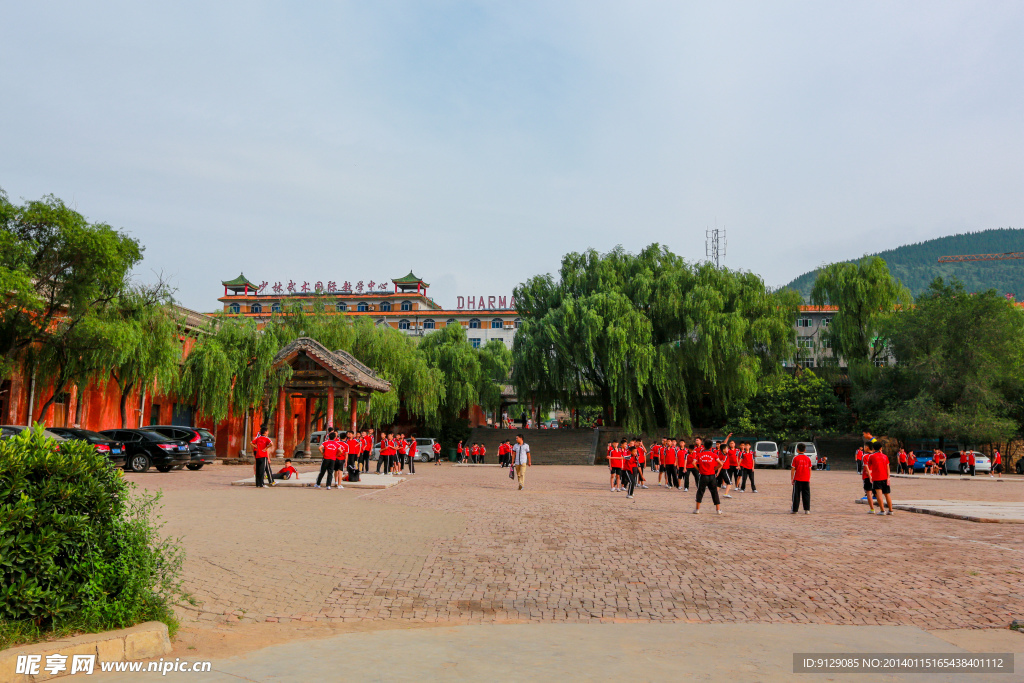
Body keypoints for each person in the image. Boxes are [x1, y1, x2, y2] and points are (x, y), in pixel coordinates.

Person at [693, 443, 722, 514]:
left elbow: (693, 463)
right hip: (712, 476)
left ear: (704, 446)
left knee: (700, 492)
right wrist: (715, 469)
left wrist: (698, 469)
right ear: (711, 447)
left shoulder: (699, 455)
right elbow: (721, 464)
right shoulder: (714, 455)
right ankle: (718, 510)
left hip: (703, 476)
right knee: (714, 492)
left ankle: (697, 509)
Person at [865, 439, 892, 515]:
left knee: (879, 494)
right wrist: (888, 477)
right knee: (887, 494)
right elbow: (888, 467)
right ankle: (890, 510)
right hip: (885, 477)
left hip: (877, 477)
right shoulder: (885, 456)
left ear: (873, 448)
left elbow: (869, 466)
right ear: (881, 448)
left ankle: (882, 510)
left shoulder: (872, 456)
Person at [790, 443, 812, 514]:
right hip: (806, 479)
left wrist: (792, 478)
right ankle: (807, 510)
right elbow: (809, 469)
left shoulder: (795, 458)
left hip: (798, 479)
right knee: (806, 495)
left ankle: (795, 510)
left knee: (796, 495)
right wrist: (809, 478)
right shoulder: (808, 458)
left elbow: (793, 469)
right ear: (805, 450)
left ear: (797, 450)